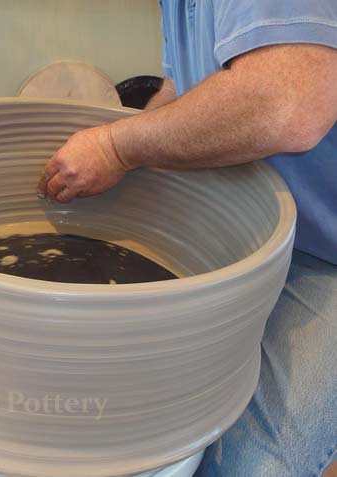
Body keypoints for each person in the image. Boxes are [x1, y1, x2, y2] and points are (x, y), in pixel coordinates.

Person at [37, 1, 337, 476]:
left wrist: (115, 148)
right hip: (249, 234)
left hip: (323, 255)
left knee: (246, 467)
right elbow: (182, 90)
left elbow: (288, 103)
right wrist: (126, 141)